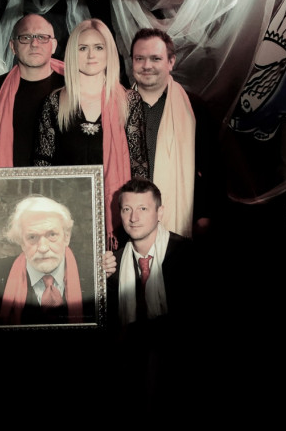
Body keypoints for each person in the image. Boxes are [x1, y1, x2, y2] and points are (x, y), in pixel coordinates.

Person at [33, 18, 148, 251]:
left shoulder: (129, 101)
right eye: (83, 48)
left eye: (98, 47)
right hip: (65, 219)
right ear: (72, 54)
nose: (91, 55)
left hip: (117, 217)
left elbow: (139, 165)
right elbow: (42, 165)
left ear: (109, 52)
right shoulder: (54, 103)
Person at [103, 177, 195, 419]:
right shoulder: (112, 264)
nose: (134, 218)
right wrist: (99, 280)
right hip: (129, 371)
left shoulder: (187, 254)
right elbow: (108, 327)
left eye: (143, 208)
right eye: (127, 209)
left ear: (159, 212)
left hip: (178, 369)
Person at [130, 27, 216, 239]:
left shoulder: (195, 108)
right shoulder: (117, 107)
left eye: (155, 58)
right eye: (140, 58)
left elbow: (211, 167)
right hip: (128, 219)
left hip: (181, 221)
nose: (147, 65)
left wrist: (204, 214)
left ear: (171, 62)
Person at [0, 195, 92, 326]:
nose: (43, 248)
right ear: (22, 243)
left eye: (52, 235)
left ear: (66, 237)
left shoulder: (94, 273)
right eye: (32, 237)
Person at [0, 13, 65, 167]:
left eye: (42, 37)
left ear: (53, 45)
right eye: (26, 37)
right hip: (10, 179)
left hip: (65, 179)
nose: (34, 43)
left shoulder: (72, 86)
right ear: (13, 46)